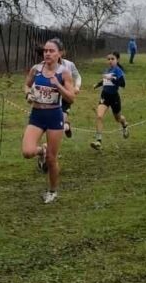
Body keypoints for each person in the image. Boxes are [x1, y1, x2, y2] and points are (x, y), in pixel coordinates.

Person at [21, 39, 77, 203]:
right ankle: (41, 151)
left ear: (60, 54)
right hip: (37, 116)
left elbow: (71, 97)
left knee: (52, 159)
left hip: (54, 117)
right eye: (45, 50)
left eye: (51, 51)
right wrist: (28, 94)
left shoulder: (64, 72)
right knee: (27, 152)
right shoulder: (36, 69)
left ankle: (52, 191)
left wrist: (57, 85)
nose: (47, 53)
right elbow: (26, 85)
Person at [90, 52, 129, 149]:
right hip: (105, 96)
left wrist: (111, 79)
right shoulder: (107, 70)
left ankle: (124, 124)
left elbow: (122, 84)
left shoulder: (118, 70)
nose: (110, 61)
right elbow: (105, 80)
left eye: (112, 59)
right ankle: (98, 141)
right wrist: (98, 85)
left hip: (114, 97)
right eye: (109, 59)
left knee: (118, 119)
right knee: (99, 116)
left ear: (117, 60)